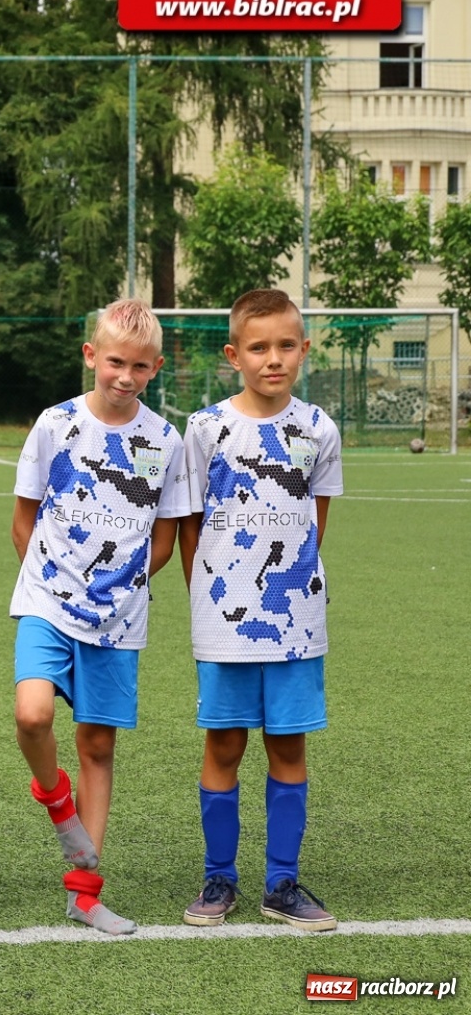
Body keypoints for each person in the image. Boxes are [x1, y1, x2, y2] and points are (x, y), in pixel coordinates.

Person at [10, 299, 188, 934]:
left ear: (156, 368)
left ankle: (84, 891)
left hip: (119, 617)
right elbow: (24, 521)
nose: (125, 376)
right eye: (115, 361)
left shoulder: (166, 440)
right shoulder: (55, 424)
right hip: (46, 603)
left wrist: (120, 586)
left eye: (140, 366)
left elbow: (163, 540)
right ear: (91, 356)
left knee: (97, 743)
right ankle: (57, 803)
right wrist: (56, 582)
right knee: (31, 714)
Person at [178, 289, 342, 932]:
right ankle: (219, 878)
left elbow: (315, 524)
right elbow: (192, 527)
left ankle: (282, 882)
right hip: (224, 620)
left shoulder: (319, 428)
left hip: (295, 620)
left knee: (288, 746)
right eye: (257, 347)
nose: (272, 359)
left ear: (303, 350)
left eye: (284, 346)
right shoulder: (206, 428)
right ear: (234, 355)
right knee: (223, 744)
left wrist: (282, 584)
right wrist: (210, 599)